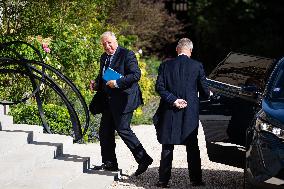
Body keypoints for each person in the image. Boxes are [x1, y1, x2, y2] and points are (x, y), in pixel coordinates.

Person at [90, 31, 153, 176]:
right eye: (104, 44)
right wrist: (96, 84)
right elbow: (103, 76)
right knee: (104, 132)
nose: (107, 46)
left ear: (115, 41)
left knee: (123, 128)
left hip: (125, 99)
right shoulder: (103, 57)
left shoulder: (127, 54)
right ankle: (110, 163)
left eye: (109, 42)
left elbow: (135, 75)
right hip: (109, 100)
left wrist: (118, 82)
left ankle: (144, 159)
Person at [153, 38, 210, 187]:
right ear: (190, 51)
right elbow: (205, 92)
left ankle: (163, 180)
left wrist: (173, 99)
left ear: (177, 49)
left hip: (169, 110)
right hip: (189, 112)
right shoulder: (197, 66)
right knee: (192, 146)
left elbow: (159, 87)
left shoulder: (165, 65)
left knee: (167, 146)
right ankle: (196, 180)